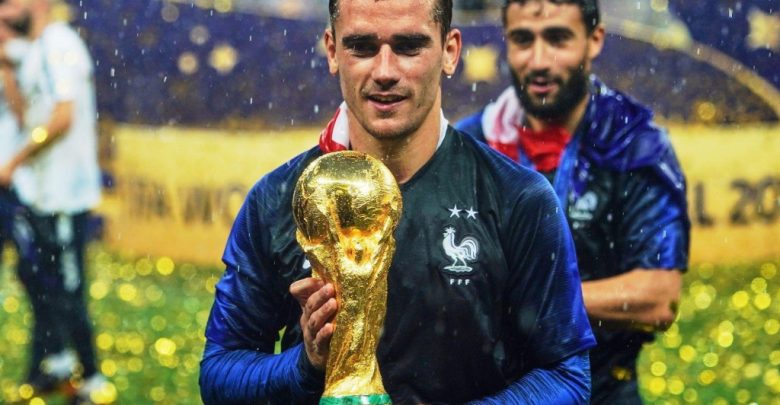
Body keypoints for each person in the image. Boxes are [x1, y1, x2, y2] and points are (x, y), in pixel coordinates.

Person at [200, 0, 597, 404]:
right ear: (333, 51)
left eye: (408, 46)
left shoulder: (518, 197)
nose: (385, 71)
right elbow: (219, 373)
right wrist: (307, 364)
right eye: (362, 47)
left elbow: (565, 376)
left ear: (450, 51)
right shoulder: (279, 199)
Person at [456, 0, 689, 403]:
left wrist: (530, 299)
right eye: (523, 40)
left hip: (604, 390)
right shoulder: (472, 143)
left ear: (594, 40)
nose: (538, 61)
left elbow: (658, 297)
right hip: (496, 391)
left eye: (558, 39)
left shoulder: (634, 143)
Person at [0, 0, 107, 402]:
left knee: (68, 286)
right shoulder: (35, 49)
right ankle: (59, 362)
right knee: (38, 277)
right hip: (41, 191)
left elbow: (62, 118)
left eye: (13, 3)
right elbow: (28, 116)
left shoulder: (61, 43)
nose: (6, 11)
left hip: (64, 194)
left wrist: (15, 160)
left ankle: (93, 379)